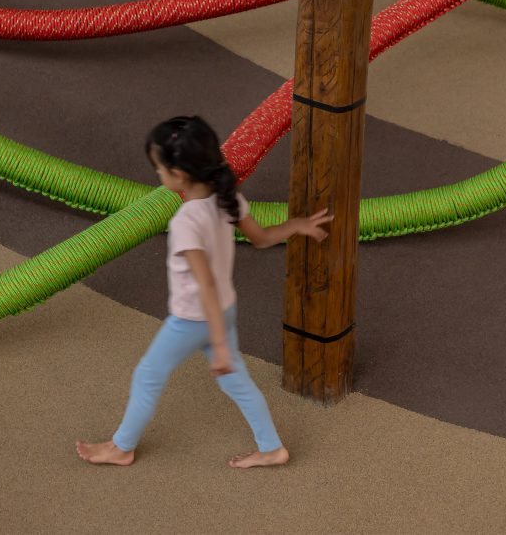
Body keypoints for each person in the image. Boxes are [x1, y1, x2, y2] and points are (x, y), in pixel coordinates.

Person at [76, 115, 333, 469]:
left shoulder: (186, 222)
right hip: (223, 310)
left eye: (159, 169)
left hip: (194, 319)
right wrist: (297, 225)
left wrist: (220, 344)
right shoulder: (227, 199)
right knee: (236, 382)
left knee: (148, 375)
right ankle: (272, 448)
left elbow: (205, 283)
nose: (158, 175)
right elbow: (262, 239)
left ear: (178, 175)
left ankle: (122, 447)